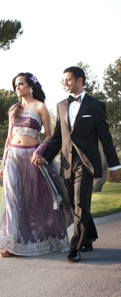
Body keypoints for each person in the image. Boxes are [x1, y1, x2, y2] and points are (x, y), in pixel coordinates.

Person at [32, 66, 121, 262]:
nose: (65, 83)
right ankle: (88, 236)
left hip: (86, 163)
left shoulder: (96, 106)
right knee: (73, 204)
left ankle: (75, 247)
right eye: (64, 80)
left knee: (81, 202)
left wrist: (115, 166)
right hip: (67, 163)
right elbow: (57, 138)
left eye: (68, 79)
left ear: (80, 80)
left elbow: (105, 138)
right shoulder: (61, 105)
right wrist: (44, 156)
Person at [0, 72, 73, 257]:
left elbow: (49, 136)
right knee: (13, 200)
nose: (17, 88)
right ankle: (12, 243)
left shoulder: (40, 107)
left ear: (30, 86)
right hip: (13, 156)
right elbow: (9, 137)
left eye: (20, 84)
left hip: (32, 158)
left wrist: (40, 152)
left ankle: (41, 239)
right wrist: (3, 162)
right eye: (15, 85)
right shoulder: (14, 110)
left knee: (34, 199)